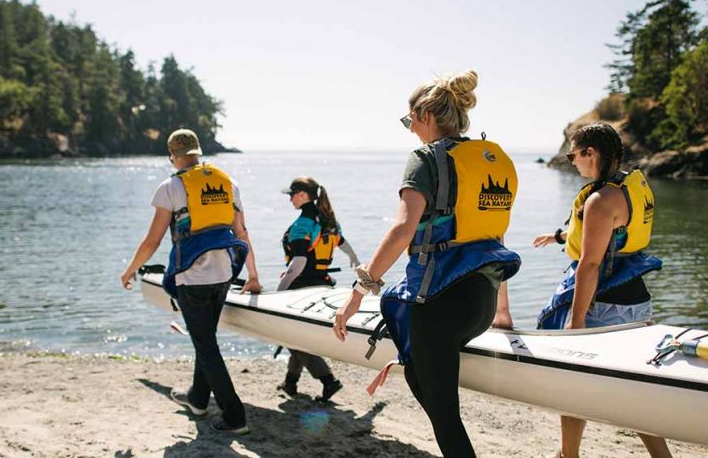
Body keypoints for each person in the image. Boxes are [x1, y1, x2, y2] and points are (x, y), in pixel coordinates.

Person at [332, 70, 521, 458]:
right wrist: (502, 310)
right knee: (420, 377)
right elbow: (494, 239)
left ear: (426, 115)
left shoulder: (424, 160)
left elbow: (403, 230)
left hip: (439, 303)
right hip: (480, 302)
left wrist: (357, 294)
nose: (410, 129)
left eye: (410, 120)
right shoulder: (483, 162)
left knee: (446, 415)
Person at [533, 122, 671, 458]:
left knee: (572, 386)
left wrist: (576, 320)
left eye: (573, 154)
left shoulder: (599, 200)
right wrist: (561, 237)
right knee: (635, 390)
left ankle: (568, 455)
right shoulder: (630, 187)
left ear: (590, 153)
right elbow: (614, 236)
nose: (572, 161)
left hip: (604, 305)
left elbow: (590, 265)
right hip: (637, 303)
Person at [120, 128, 262, 434]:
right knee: (205, 337)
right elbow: (242, 232)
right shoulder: (228, 182)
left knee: (205, 344)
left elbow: (152, 241)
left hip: (192, 277)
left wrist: (131, 269)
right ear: (198, 151)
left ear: (172, 155)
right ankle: (197, 399)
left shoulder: (170, 187)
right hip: (225, 272)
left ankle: (235, 417)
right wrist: (253, 275)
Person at [277, 176, 359, 401]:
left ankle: (328, 380)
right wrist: (356, 261)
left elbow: (299, 262)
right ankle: (290, 382)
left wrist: (279, 292)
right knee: (299, 335)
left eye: (292, 195)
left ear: (303, 195)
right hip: (323, 286)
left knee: (291, 336)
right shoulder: (328, 221)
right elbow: (344, 244)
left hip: (300, 288)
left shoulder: (302, 224)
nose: (290, 199)